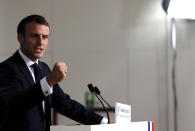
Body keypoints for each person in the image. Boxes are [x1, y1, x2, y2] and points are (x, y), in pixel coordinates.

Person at [0, 14, 107, 131]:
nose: (40, 42)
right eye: (35, 36)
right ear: (20, 38)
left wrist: (103, 122)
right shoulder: (6, 69)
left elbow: (65, 104)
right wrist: (49, 80)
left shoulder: (43, 68)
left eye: (45, 37)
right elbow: (16, 104)